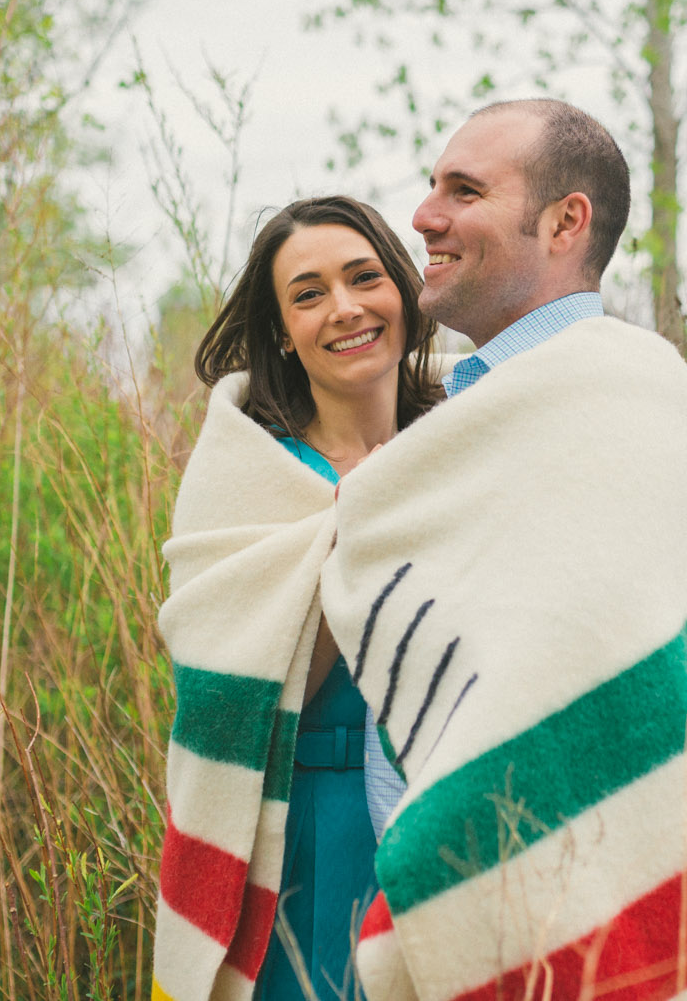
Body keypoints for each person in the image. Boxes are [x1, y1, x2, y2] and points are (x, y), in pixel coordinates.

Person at [324, 99, 687, 999]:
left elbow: (585, 657)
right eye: (431, 187)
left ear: (564, 221)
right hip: (407, 897)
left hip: (530, 900)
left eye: (463, 190)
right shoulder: (450, 413)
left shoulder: (622, 392)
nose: (425, 215)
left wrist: (443, 849)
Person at [151, 197, 441, 1001]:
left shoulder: (462, 445)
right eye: (308, 294)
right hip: (310, 823)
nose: (344, 307)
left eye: (364, 278)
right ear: (282, 330)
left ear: (405, 295)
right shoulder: (250, 474)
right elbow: (231, 687)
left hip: (456, 814)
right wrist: (356, 527)